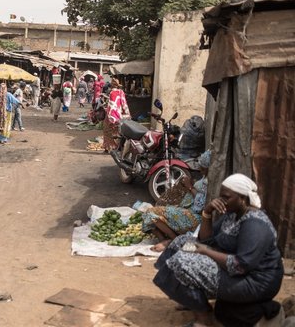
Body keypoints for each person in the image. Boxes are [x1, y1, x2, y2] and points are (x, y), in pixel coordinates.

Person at [153, 173, 284, 327]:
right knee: (180, 243)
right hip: (234, 269)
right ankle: (191, 298)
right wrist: (207, 213)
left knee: (182, 262)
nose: (221, 201)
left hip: (255, 282)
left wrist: (205, 251)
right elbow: (207, 240)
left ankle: (203, 318)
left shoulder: (255, 224)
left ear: (243, 198)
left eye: (226, 197)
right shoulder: (233, 214)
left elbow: (240, 265)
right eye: (221, 196)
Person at [143, 150, 211, 252]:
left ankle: (173, 241)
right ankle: (166, 240)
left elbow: (200, 206)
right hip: (187, 211)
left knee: (151, 213)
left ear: (207, 167)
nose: (199, 167)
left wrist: (190, 187)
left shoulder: (208, 182)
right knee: (151, 214)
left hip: (195, 217)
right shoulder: (205, 178)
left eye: (201, 165)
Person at [102, 78, 130, 152]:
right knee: (117, 132)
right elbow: (124, 104)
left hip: (110, 115)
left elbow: (110, 105)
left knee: (107, 131)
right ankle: (117, 147)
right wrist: (127, 113)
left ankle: (108, 148)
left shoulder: (111, 93)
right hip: (118, 115)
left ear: (111, 85)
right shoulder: (121, 92)